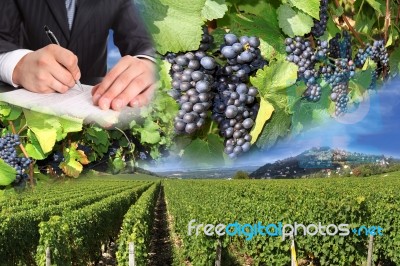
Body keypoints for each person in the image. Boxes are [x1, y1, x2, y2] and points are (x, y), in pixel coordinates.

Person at [0, 0, 156, 111]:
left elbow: (143, 41)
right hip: (34, 103)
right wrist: (18, 65)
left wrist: (148, 63)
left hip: (92, 102)